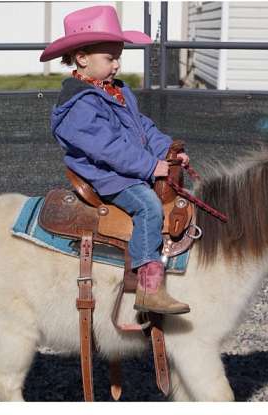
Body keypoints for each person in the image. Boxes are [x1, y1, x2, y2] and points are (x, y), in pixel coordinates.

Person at [40, 5, 190, 315]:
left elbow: (144, 127)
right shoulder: (79, 105)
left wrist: (167, 152)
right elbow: (108, 148)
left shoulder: (116, 92)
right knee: (148, 205)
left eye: (118, 57)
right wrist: (150, 166)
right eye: (110, 58)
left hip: (125, 169)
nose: (117, 65)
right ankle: (149, 286)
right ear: (82, 58)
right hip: (107, 176)